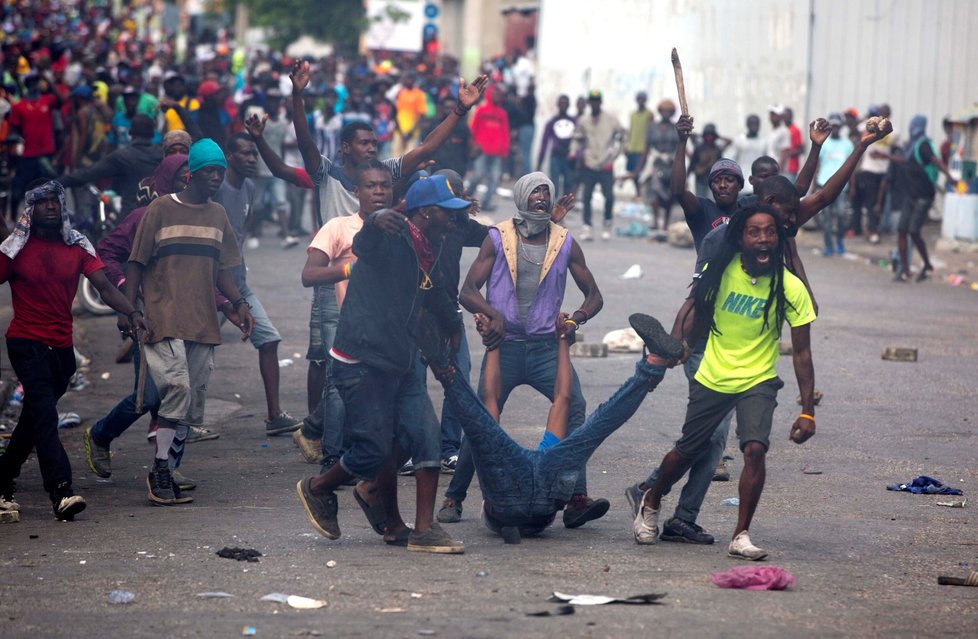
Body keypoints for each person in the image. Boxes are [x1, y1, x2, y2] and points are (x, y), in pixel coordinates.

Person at [289, 59, 487, 448]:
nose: (371, 149)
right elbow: (304, 141)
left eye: (374, 144)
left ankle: (373, 442)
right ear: (346, 148)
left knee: (378, 365)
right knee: (333, 364)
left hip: (381, 280)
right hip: (337, 276)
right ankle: (331, 446)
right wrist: (297, 96)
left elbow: (429, 146)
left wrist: (460, 109)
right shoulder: (327, 172)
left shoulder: (389, 172)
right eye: (363, 143)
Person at [295, 175, 469, 553]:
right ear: (425, 214)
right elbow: (365, 244)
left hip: (401, 357)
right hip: (361, 359)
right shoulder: (388, 234)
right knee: (373, 450)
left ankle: (422, 530)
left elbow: (434, 294)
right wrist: (374, 222)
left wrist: (451, 331)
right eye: (448, 213)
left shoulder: (432, 246)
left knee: (425, 435)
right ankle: (318, 488)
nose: (454, 222)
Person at [633, 204, 817, 560]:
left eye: (770, 232)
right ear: (741, 239)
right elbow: (695, 314)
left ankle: (740, 534)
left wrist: (807, 411)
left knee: (754, 449)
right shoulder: (720, 273)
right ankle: (652, 498)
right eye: (755, 232)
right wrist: (678, 348)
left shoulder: (790, 287)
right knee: (689, 449)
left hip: (758, 378)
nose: (763, 239)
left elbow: (802, 354)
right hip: (714, 374)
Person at [438, 172, 605, 528]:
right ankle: (454, 496)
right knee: (484, 419)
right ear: (521, 198)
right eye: (535, 192)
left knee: (574, 406)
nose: (542, 197)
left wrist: (575, 320)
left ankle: (575, 497)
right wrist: (492, 315)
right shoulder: (498, 237)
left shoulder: (564, 242)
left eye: (546, 191)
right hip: (506, 346)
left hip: (546, 347)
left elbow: (595, 296)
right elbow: (467, 291)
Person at [432, 312, 683, 544]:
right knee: (597, 423)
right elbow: (562, 398)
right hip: (525, 486)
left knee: (481, 423)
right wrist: (561, 340)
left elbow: (490, 401)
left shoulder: (509, 488)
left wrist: (493, 345)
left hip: (520, 506)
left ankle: (443, 367)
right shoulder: (533, 460)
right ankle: (654, 364)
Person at [0, 180, 144, 520]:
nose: (50, 206)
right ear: (30, 210)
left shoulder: (77, 246)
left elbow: (105, 286)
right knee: (46, 416)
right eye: (42, 202)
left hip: (62, 349)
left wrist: (132, 311)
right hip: (25, 342)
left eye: (55, 201)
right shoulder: (16, 247)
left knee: (35, 416)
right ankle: (61, 490)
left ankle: (3, 476)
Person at [126, 138, 255, 505]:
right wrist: (131, 311)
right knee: (178, 388)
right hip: (162, 314)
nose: (216, 177)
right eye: (209, 171)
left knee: (191, 401)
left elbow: (223, 269)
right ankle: (161, 469)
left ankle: (169, 466)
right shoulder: (161, 210)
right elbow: (136, 261)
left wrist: (239, 303)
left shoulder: (217, 216)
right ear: (190, 174)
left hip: (202, 318)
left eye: (220, 171)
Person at [84, 154, 219, 487]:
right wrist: (125, 300)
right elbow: (107, 252)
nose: (189, 183)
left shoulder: (206, 217)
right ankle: (101, 435)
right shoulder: (145, 216)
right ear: (164, 181)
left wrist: (230, 304)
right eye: (181, 177)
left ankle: (168, 469)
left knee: (180, 393)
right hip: (149, 315)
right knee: (151, 394)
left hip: (190, 316)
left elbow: (205, 273)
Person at [297, 160, 395, 470]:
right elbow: (309, 274)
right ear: (357, 192)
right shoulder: (339, 227)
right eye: (371, 186)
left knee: (382, 388)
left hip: (388, 328)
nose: (378, 192)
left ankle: (372, 454)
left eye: (384, 186)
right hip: (348, 324)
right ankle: (332, 459)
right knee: (339, 388)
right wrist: (349, 269)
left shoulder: (401, 229)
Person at [215, 133, 304, 436]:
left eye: (254, 154)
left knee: (269, 340)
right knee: (190, 355)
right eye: (245, 154)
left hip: (239, 285)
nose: (252, 159)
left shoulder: (250, 187)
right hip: (209, 289)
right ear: (230, 157)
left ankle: (274, 416)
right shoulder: (217, 191)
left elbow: (242, 230)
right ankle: (173, 424)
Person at [59, 113, 163, 218]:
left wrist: (55, 183)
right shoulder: (162, 154)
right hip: (159, 217)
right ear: (152, 134)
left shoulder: (122, 156)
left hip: (131, 218)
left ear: (130, 133)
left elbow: (86, 175)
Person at [892, 114, 952, 283]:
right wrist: (886, 157)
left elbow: (936, 161)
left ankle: (926, 264)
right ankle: (905, 271)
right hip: (911, 194)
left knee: (913, 231)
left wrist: (949, 176)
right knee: (902, 230)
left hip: (924, 195)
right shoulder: (911, 144)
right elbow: (904, 160)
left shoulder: (923, 144)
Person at [671, 113, 743, 252]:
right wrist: (682, 142)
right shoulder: (703, 210)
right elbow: (678, 191)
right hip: (701, 179)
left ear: (740, 185)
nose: (723, 185)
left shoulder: (747, 210)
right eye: (718, 180)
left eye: (729, 180)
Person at [571, 90, 624, 240]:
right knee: (586, 196)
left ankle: (607, 223)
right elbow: (577, 137)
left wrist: (615, 153)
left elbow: (622, 136)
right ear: (589, 103)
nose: (594, 104)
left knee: (609, 196)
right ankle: (587, 226)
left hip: (606, 164)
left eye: (597, 101)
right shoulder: (584, 120)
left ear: (600, 102)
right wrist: (574, 151)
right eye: (592, 101)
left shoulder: (610, 120)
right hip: (589, 163)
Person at [850, 104, 894, 244]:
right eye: (881, 113)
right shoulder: (869, 126)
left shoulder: (894, 131)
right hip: (869, 170)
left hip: (884, 171)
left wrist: (884, 156)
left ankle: (875, 229)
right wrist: (864, 119)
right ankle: (872, 230)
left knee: (879, 203)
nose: (884, 116)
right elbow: (855, 130)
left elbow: (896, 151)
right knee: (870, 202)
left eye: (886, 113)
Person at [815, 114, 855, 256]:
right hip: (823, 185)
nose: (836, 129)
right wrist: (814, 186)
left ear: (841, 127)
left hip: (841, 188)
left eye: (838, 126)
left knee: (841, 215)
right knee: (826, 218)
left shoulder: (848, 145)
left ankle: (839, 240)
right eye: (834, 126)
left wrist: (852, 186)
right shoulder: (824, 143)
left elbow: (851, 168)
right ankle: (828, 245)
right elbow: (817, 165)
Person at [638, 99, 680, 230]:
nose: (666, 113)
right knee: (654, 190)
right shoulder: (652, 127)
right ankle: (656, 220)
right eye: (664, 111)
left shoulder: (676, 128)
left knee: (670, 193)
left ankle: (666, 222)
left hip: (670, 163)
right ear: (660, 112)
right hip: (656, 163)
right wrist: (639, 168)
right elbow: (646, 148)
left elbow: (680, 147)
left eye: (669, 111)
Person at [466, 86, 510, 211]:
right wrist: (473, 145)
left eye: (499, 95)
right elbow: (473, 128)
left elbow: (505, 133)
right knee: (477, 176)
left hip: (496, 152)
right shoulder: (481, 110)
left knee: (494, 179)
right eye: (494, 94)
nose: (497, 97)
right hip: (481, 150)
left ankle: (486, 202)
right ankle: (466, 198)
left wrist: (505, 150)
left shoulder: (502, 114)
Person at [419, 95, 471, 177]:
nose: (448, 110)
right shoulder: (434, 126)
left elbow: (468, 148)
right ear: (442, 108)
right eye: (446, 107)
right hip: (437, 168)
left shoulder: (462, 127)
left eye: (451, 108)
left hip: (456, 169)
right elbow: (424, 144)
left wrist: (467, 166)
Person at [536, 95, 576, 197]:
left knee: (568, 185)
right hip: (556, 157)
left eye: (565, 104)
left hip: (568, 159)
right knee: (554, 186)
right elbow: (544, 142)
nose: (563, 106)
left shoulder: (573, 122)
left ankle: (563, 209)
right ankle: (552, 209)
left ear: (568, 105)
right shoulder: (552, 122)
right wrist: (539, 162)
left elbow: (578, 141)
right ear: (558, 105)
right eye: (561, 103)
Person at [689, 123, 731, 199]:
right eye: (707, 135)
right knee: (700, 199)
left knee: (711, 200)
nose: (709, 137)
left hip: (713, 179)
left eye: (711, 135)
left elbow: (729, 141)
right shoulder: (699, 148)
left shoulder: (717, 149)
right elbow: (692, 163)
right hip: (700, 179)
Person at [728, 115, 767, 194]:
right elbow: (730, 158)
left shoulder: (764, 142)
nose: (755, 126)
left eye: (757, 124)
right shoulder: (739, 140)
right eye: (752, 124)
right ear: (747, 124)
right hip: (742, 182)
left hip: (757, 183)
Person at [624, 91, 651, 197]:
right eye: (639, 98)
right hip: (632, 147)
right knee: (632, 171)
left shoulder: (649, 114)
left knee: (639, 172)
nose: (640, 101)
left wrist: (647, 146)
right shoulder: (632, 114)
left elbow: (650, 131)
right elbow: (631, 129)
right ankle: (638, 192)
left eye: (642, 99)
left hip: (642, 149)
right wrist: (627, 144)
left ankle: (640, 193)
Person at [766, 105, 791, 175]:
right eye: (771, 114)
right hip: (769, 170)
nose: (772, 116)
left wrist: (778, 172)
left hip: (776, 172)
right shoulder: (772, 131)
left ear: (780, 116)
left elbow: (784, 152)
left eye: (774, 114)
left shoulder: (784, 131)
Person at [782, 107, 804, 181]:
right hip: (781, 167)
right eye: (784, 116)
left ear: (791, 117)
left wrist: (787, 154)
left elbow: (801, 149)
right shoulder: (781, 130)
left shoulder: (795, 130)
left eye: (787, 116)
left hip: (791, 168)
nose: (785, 118)